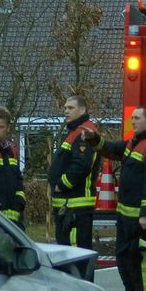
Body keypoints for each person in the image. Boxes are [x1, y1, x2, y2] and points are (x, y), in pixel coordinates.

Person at [83, 106, 146, 291]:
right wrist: (94, 139)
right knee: (125, 260)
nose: (133, 121)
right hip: (124, 214)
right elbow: (110, 149)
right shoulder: (133, 142)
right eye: (132, 118)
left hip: (138, 217)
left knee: (141, 264)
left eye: (137, 118)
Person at [48, 95, 100, 260]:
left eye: (70, 108)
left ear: (82, 110)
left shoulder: (84, 132)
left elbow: (82, 165)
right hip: (68, 205)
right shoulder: (74, 131)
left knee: (75, 255)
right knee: (68, 254)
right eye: (65, 108)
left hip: (76, 207)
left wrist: (61, 184)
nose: (66, 111)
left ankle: (80, 286)